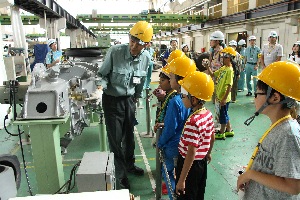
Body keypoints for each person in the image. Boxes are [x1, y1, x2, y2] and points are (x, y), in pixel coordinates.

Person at [96, 21, 153, 190]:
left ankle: (129, 165)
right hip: (112, 101)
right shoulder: (115, 52)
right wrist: (101, 87)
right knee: (115, 139)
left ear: (147, 44)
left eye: (139, 43)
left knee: (129, 137)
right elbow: (102, 75)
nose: (133, 46)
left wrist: (137, 97)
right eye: (132, 40)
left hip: (129, 101)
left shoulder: (146, 58)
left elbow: (141, 81)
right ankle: (120, 175)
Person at [238, 61, 300, 199]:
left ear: (275, 98)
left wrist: (250, 174)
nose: (254, 98)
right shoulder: (278, 127)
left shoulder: (288, 135)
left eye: (257, 93)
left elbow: (293, 186)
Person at [156, 56, 196, 200]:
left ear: (179, 80)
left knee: (169, 174)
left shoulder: (175, 101)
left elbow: (171, 129)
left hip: (173, 145)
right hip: (184, 144)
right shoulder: (189, 98)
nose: (169, 79)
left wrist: (160, 142)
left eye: (171, 76)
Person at [175, 71, 215, 200]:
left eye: (183, 96)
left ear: (194, 99)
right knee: (198, 193)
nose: (181, 98)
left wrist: (182, 180)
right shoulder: (207, 114)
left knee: (187, 196)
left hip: (189, 166)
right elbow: (212, 136)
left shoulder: (193, 122)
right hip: (201, 163)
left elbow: (191, 153)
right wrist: (208, 152)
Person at [204, 47, 236, 139]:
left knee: (223, 115)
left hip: (224, 98)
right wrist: (207, 67)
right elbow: (213, 74)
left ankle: (221, 132)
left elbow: (229, 86)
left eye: (224, 57)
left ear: (229, 58)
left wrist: (224, 99)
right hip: (220, 96)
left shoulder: (230, 70)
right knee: (225, 113)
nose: (222, 58)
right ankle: (229, 130)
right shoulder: (223, 68)